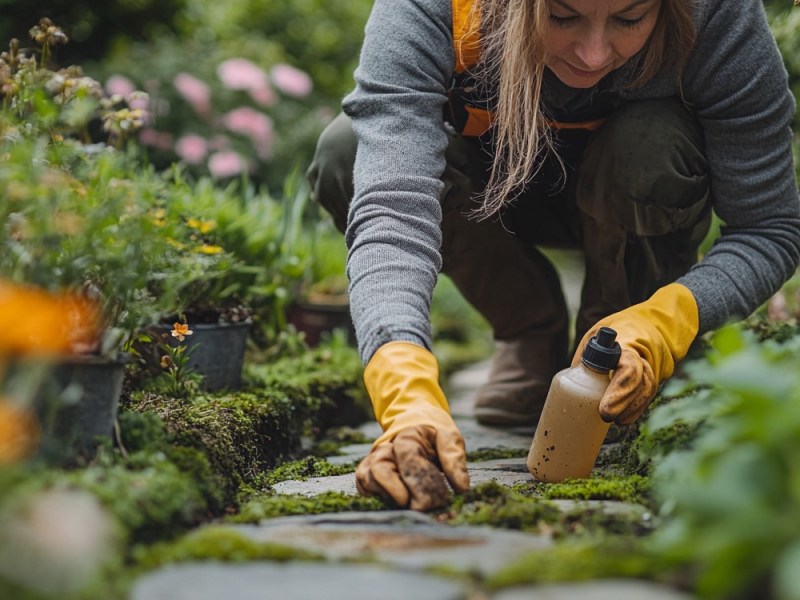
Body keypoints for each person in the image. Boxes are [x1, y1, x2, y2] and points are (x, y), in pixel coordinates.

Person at [306, 0, 800, 511]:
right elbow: (393, 213)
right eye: (562, 17)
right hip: (489, 197)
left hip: (638, 188)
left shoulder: (715, 12)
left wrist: (662, 323)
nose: (592, 53)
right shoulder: (436, 8)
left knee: (648, 142)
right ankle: (528, 331)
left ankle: (612, 343)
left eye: (630, 19)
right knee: (346, 154)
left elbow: (768, 228)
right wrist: (403, 391)